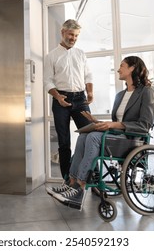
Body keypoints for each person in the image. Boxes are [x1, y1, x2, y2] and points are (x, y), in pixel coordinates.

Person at [48, 56, 154, 210]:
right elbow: (116, 122)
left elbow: (144, 125)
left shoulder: (146, 92)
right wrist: (96, 122)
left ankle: (80, 187)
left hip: (132, 140)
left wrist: (113, 124)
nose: (118, 69)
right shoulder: (120, 95)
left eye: (122, 66)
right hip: (117, 137)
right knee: (83, 136)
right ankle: (71, 184)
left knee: (92, 137)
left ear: (132, 68)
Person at [43, 19, 94, 193]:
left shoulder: (81, 54)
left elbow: (88, 75)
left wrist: (90, 92)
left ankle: (89, 180)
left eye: (76, 36)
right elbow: (47, 81)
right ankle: (67, 181)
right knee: (64, 143)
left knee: (91, 138)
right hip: (60, 100)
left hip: (80, 99)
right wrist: (57, 96)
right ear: (63, 32)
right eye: (71, 34)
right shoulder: (51, 56)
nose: (73, 38)